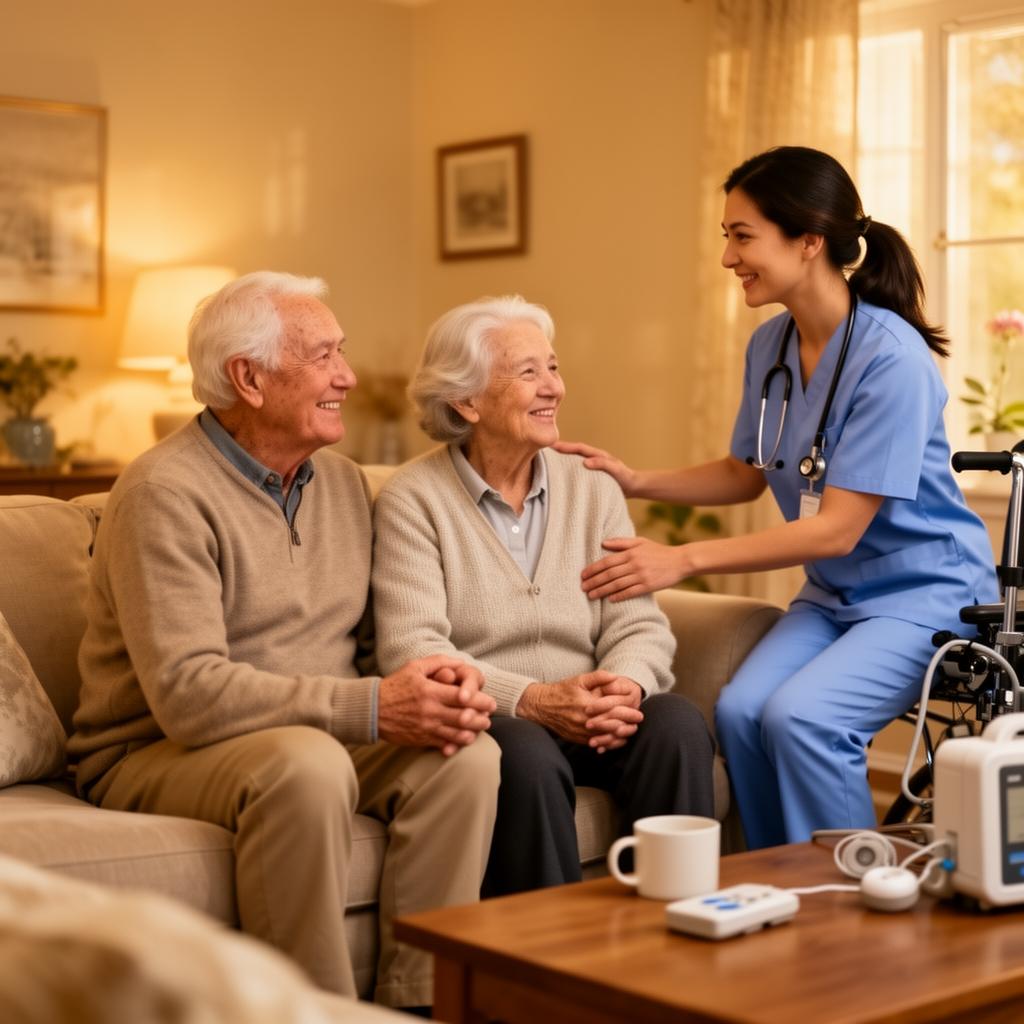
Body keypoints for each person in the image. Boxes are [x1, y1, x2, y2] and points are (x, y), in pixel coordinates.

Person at [67, 271, 501, 1010]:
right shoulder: (161, 494)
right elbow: (188, 695)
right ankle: (309, 1009)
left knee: (463, 755)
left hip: (314, 734)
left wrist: (430, 685)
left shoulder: (341, 484)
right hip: (153, 750)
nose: (348, 376)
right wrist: (370, 707)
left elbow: (372, 646)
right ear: (250, 377)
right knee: (306, 766)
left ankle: (419, 1003)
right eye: (324, 356)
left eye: (343, 352)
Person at [556, 146, 999, 849]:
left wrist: (682, 558)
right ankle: (779, 880)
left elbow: (837, 531)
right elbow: (747, 471)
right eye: (726, 238)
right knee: (740, 711)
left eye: (742, 236)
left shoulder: (893, 359)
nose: (729, 257)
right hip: (835, 598)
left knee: (805, 718)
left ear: (809, 241)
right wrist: (635, 479)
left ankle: (852, 898)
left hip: (925, 597)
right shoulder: (771, 347)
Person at [370, 295, 715, 897]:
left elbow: (636, 622)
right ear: (466, 400)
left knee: (677, 724)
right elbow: (413, 647)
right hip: (499, 716)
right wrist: (531, 698)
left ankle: (680, 926)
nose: (553, 387)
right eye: (528, 372)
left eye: (552, 367)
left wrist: (624, 687)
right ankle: (547, 962)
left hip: (594, 714)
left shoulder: (591, 488)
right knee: (525, 755)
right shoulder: (413, 499)